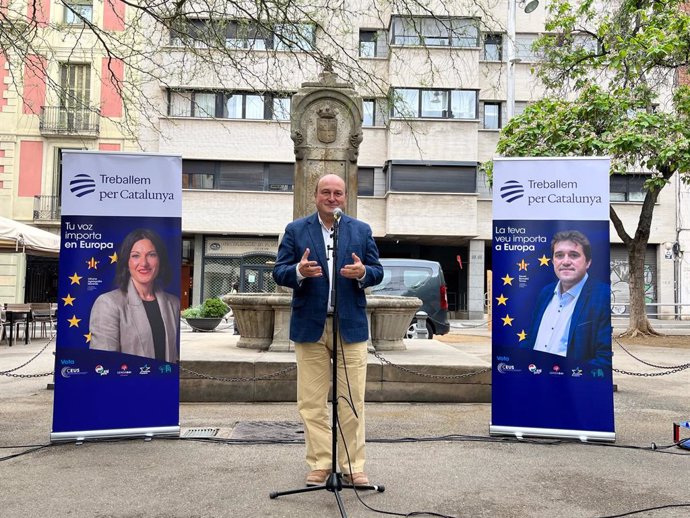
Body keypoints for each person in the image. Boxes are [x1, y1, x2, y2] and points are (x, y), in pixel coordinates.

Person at [273, 174, 383, 487]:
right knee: (311, 401)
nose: (331, 198)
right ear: (316, 195)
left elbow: (377, 270)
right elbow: (279, 271)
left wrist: (363, 273)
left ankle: (352, 466)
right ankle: (321, 463)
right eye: (326, 192)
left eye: (337, 193)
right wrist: (298, 271)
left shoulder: (360, 230)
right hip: (311, 325)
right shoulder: (297, 230)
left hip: (350, 325)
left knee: (351, 400)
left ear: (345, 197)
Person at [521, 230, 612, 368]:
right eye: (559, 255)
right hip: (535, 380)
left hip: (572, 385)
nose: (566, 261)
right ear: (553, 261)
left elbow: (603, 359)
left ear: (588, 262)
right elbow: (531, 338)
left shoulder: (602, 295)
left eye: (574, 255)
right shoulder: (545, 293)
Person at [90, 228, 180, 363]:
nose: (144, 263)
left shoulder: (174, 303)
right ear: (127, 262)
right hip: (127, 384)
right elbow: (104, 363)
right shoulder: (108, 303)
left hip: (164, 383)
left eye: (151, 255)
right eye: (136, 256)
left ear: (160, 260)